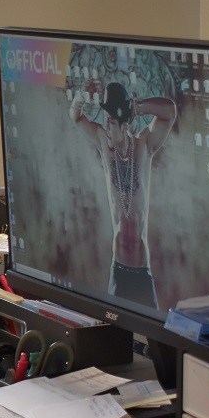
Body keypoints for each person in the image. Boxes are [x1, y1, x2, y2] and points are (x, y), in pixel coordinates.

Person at [69, 80, 176, 309]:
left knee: (153, 331)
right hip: (118, 270)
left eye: (110, 122)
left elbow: (169, 112)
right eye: (105, 121)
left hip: (142, 271)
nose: (106, 128)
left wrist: (135, 106)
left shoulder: (144, 146)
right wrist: (80, 95)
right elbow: (76, 117)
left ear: (125, 126)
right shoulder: (104, 144)